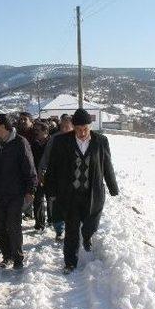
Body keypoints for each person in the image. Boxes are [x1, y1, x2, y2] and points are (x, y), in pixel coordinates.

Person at [45, 109, 120, 274]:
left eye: (85, 128)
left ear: (90, 126)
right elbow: (53, 167)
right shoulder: (61, 141)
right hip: (70, 194)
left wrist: (113, 187)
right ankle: (70, 262)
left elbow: (107, 165)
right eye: (78, 129)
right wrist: (50, 190)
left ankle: (86, 237)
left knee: (91, 223)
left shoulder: (101, 141)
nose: (82, 132)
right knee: (71, 229)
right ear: (73, 127)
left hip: (92, 193)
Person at [0, 114, 37, 270]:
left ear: (3, 127)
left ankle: (18, 258)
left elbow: (29, 168)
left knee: (13, 225)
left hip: (15, 193)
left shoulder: (20, 143)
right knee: (1, 225)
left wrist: (31, 189)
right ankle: (7, 256)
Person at [38, 113, 73, 241]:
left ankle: (70, 228)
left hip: (72, 178)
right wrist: (41, 171)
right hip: (56, 177)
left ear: (72, 126)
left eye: (67, 127)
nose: (64, 129)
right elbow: (46, 157)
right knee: (56, 205)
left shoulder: (76, 139)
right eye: (62, 126)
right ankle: (59, 230)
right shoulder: (54, 139)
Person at [30, 120, 50, 231]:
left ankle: (52, 220)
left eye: (37, 130)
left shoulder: (52, 143)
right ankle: (40, 223)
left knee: (51, 200)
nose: (35, 132)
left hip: (50, 176)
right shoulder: (34, 144)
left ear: (45, 131)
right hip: (37, 176)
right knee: (38, 200)